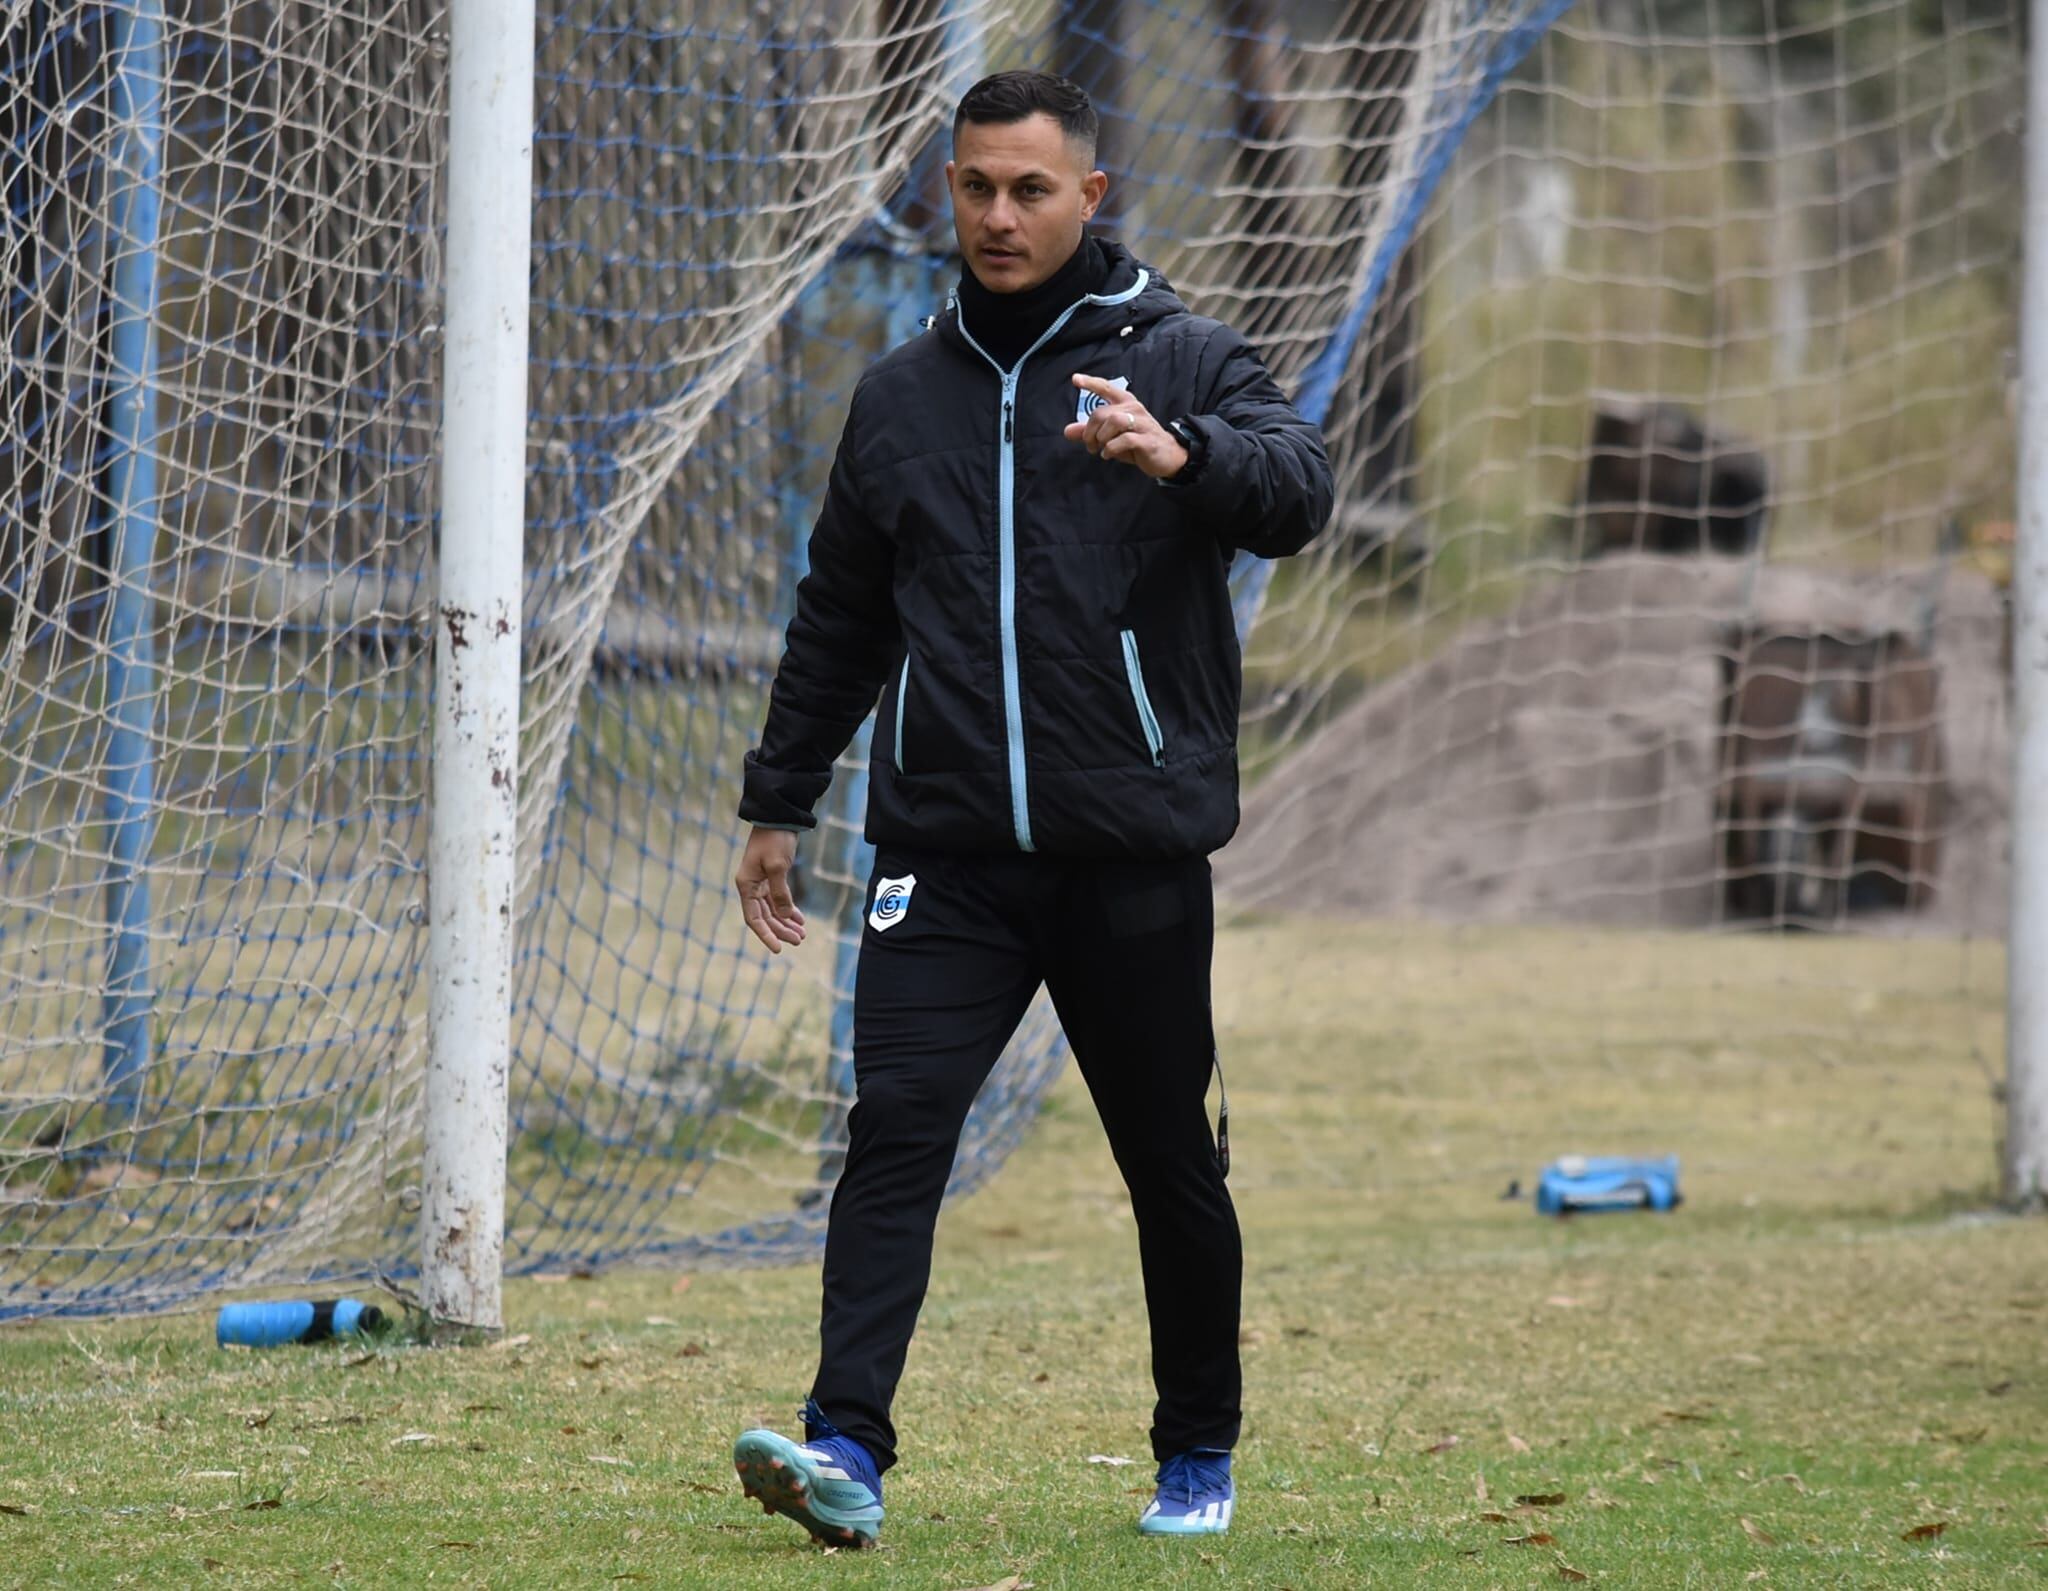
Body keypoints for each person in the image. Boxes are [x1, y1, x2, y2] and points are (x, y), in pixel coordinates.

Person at [727, 69, 1333, 1549]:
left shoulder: (1179, 360)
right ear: (950, 189)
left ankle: (1197, 1452)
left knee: (1168, 1165)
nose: (999, 216)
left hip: (1129, 851)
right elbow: (840, 619)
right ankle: (844, 1451)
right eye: (977, 187)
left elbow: (1300, 490)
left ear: (1090, 197)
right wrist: (776, 800)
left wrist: (1182, 459)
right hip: (943, 856)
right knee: (898, 1129)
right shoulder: (898, 394)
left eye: (1031, 189)